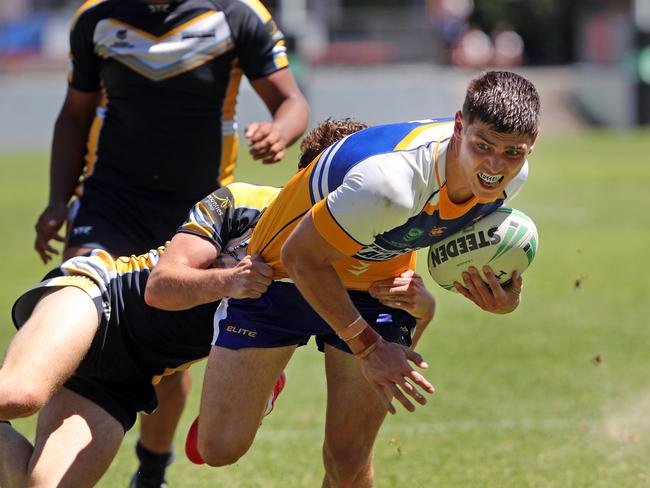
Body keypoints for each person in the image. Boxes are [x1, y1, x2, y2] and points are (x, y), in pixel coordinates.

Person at [0, 119, 434, 487]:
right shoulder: (244, 201)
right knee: (18, 395)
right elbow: (161, 287)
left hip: (122, 385)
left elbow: (383, 332)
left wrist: (423, 303)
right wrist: (230, 280)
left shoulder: (355, 253)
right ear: (307, 180)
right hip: (101, 299)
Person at [181, 71, 540, 486]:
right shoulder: (390, 184)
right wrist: (370, 349)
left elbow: (452, 240)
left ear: (532, 143)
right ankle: (268, 381)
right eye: (483, 146)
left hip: (376, 287)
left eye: (513, 152)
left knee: (349, 457)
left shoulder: (511, 179)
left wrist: (504, 295)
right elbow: (302, 257)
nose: (495, 166)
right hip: (281, 273)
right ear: (459, 125)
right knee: (219, 448)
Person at [32, 0, 308, 485]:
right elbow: (75, 114)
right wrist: (58, 200)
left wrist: (278, 132)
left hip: (194, 215)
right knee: (70, 307)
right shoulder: (96, 19)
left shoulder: (238, 15)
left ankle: (152, 470)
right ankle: (45, 459)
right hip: (108, 204)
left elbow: (291, 101)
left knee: (163, 352)